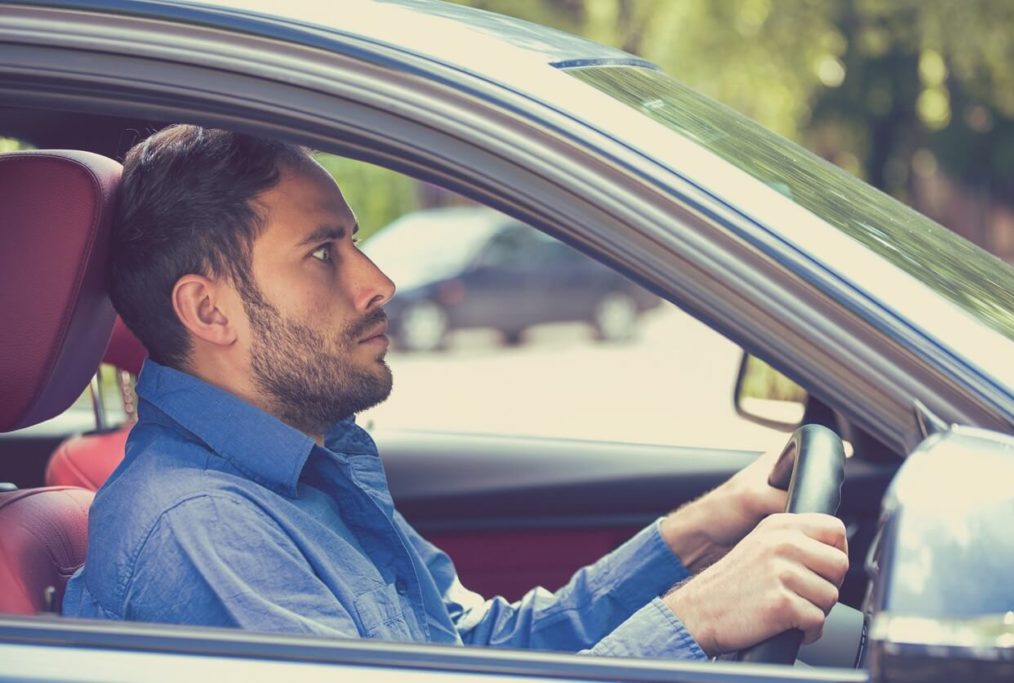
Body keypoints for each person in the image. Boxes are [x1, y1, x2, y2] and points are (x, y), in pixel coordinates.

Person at [63, 125, 849, 660]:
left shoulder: (310, 462)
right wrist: (700, 617)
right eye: (322, 254)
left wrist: (697, 533)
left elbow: (472, 650)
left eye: (355, 243)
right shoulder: (199, 530)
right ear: (208, 310)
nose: (380, 283)